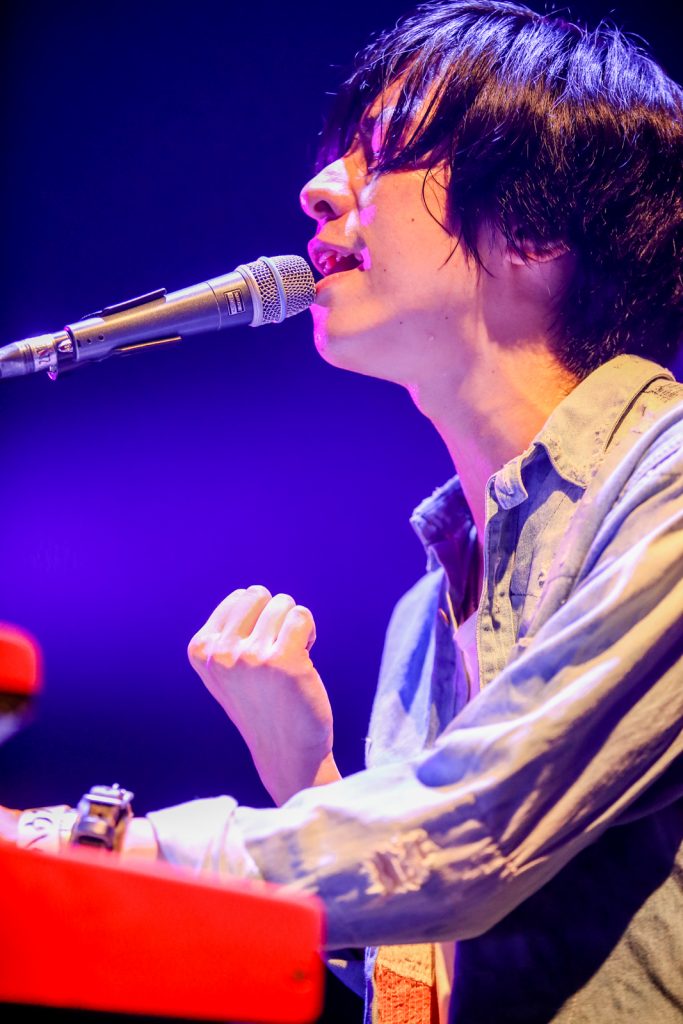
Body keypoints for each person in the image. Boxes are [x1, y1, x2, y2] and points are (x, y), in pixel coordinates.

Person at [5, 2, 683, 1021]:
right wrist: (308, 774)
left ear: (536, 225)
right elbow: (426, 968)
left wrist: (76, 847)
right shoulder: (426, 612)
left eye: (385, 155)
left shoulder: (667, 486)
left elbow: (470, 835)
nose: (318, 188)